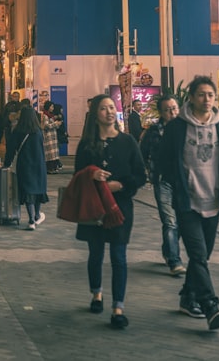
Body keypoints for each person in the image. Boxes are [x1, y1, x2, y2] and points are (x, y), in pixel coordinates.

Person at [155, 75, 219, 331]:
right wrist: (177, 183)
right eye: (201, 95)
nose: (206, 100)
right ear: (190, 98)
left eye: (210, 95)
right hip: (187, 201)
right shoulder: (177, 127)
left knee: (203, 256)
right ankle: (209, 304)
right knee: (198, 255)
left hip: (213, 200)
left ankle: (186, 297)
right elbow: (162, 159)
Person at [74, 93, 146, 330]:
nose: (108, 112)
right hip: (94, 205)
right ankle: (96, 293)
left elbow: (140, 175)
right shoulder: (86, 144)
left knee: (118, 257)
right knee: (95, 254)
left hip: (120, 206)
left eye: (111, 107)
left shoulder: (128, 142)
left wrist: (121, 185)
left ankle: (118, 307)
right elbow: (76, 175)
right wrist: (91, 175)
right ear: (95, 114)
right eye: (103, 108)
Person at [139, 95, 185, 277]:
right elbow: (142, 153)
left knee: (180, 221)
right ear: (161, 113)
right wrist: (149, 173)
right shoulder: (153, 131)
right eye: (167, 110)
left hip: (182, 182)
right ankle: (174, 260)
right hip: (162, 181)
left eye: (174, 108)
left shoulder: (186, 128)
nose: (172, 113)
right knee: (170, 221)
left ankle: (168, 250)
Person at [4, 104, 48, 231]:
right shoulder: (38, 131)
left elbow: (11, 150)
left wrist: (7, 163)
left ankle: (31, 220)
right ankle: (37, 214)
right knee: (38, 189)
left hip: (24, 164)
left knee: (28, 190)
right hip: (39, 164)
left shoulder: (17, 131)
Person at [41, 101, 62, 174]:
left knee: (53, 154)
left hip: (52, 137)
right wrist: (56, 124)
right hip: (48, 137)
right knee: (50, 154)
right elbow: (46, 126)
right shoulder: (45, 116)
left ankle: (53, 168)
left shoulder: (50, 115)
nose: (53, 108)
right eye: (51, 106)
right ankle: (49, 169)